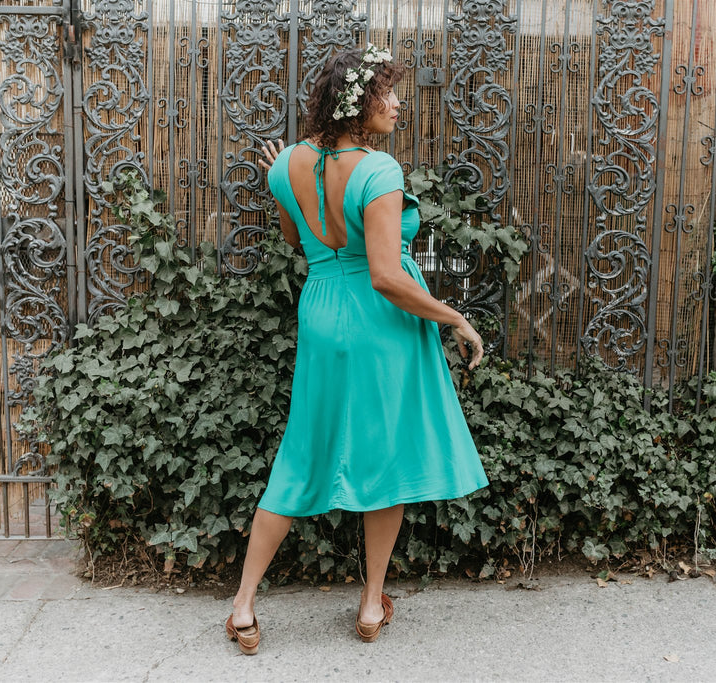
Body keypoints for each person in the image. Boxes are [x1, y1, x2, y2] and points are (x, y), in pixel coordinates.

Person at [225, 43, 489, 654]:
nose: (397, 103)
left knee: (302, 453)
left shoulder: (287, 163)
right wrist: (455, 317)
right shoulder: (379, 170)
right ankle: (371, 603)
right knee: (385, 458)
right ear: (358, 104)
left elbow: (296, 237)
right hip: (379, 324)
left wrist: (280, 184)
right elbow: (385, 275)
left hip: (321, 312)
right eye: (387, 93)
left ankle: (243, 608)